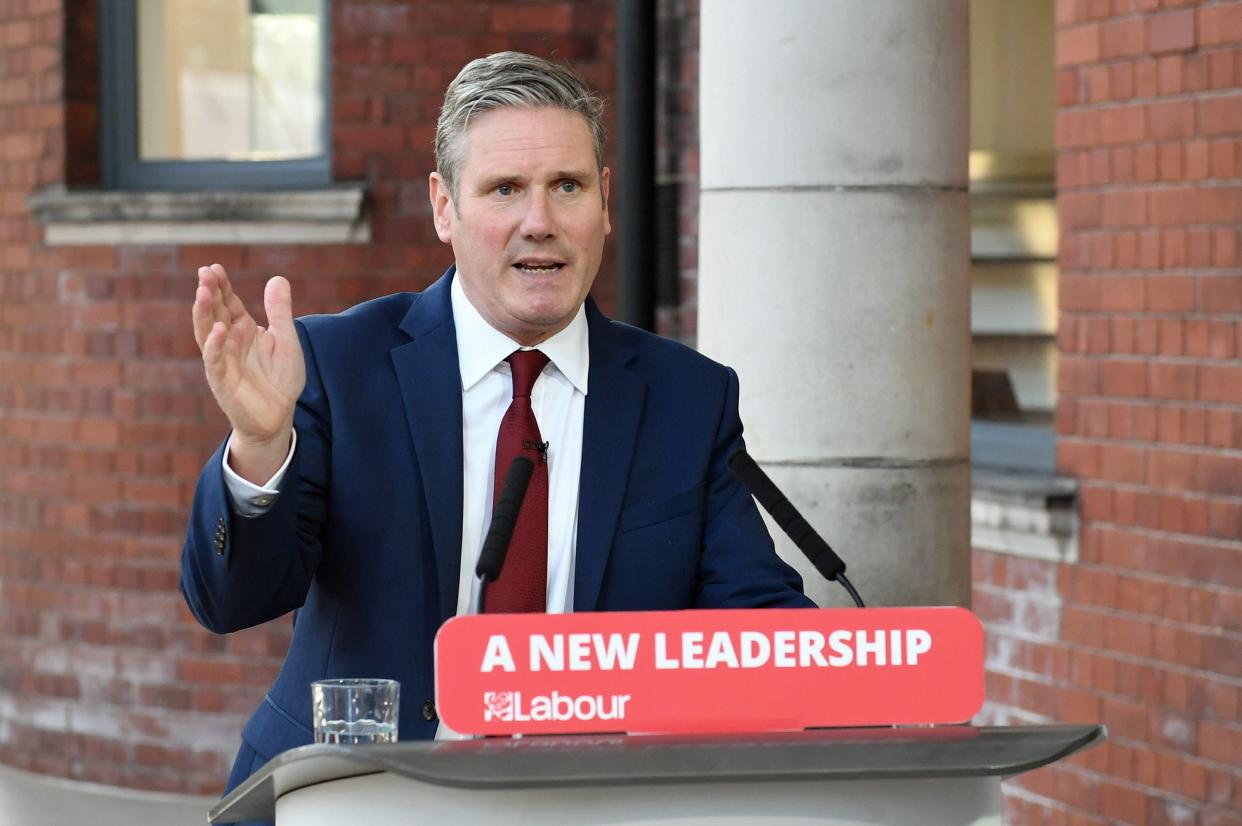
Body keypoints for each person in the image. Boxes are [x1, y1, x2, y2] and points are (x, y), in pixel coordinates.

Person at [182, 51, 814, 807]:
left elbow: (763, 635)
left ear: (606, 202)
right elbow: (231, 602)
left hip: (596, 807)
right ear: (444, 207)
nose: (539, 223)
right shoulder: (340, 366)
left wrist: (858, 677)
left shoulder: (686, 398)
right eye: (505, 189)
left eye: (567, 187)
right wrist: (258, 447)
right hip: (356, 796)